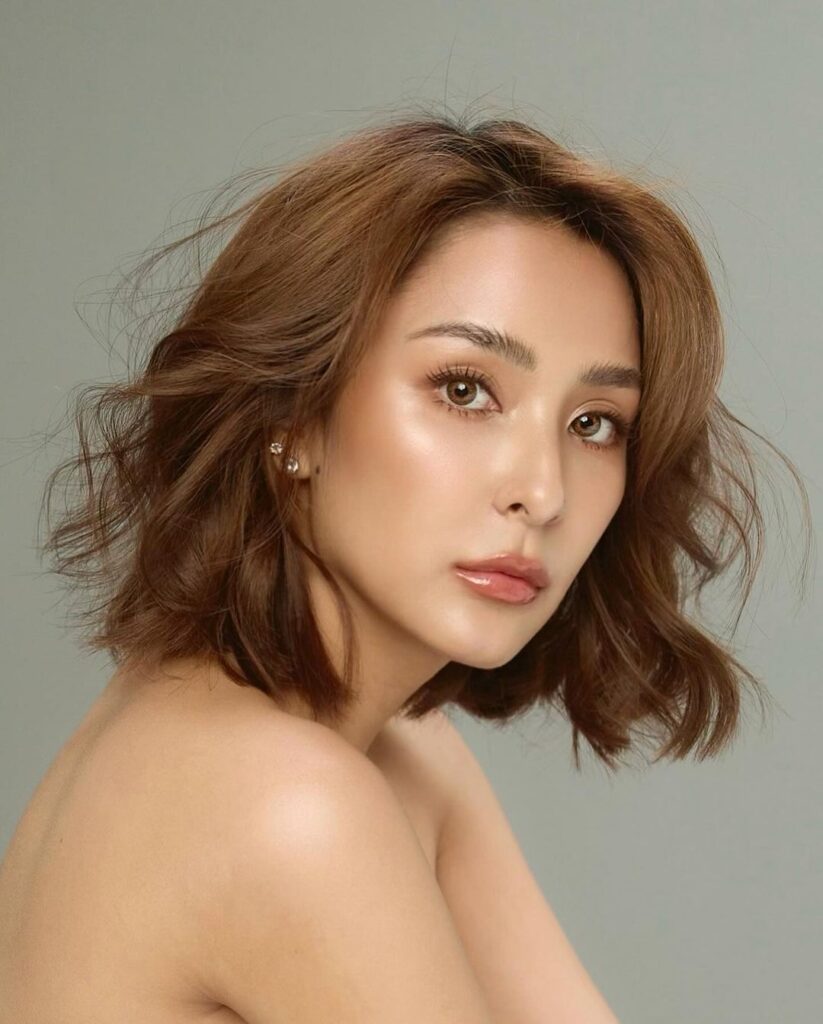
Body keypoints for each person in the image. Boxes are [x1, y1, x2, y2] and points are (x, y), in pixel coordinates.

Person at [0, 109, 812, 1023]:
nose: (541, 491)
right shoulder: (286, 804)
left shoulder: (388, 752)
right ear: (294, 417)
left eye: (593, 424)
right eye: (464, 390)